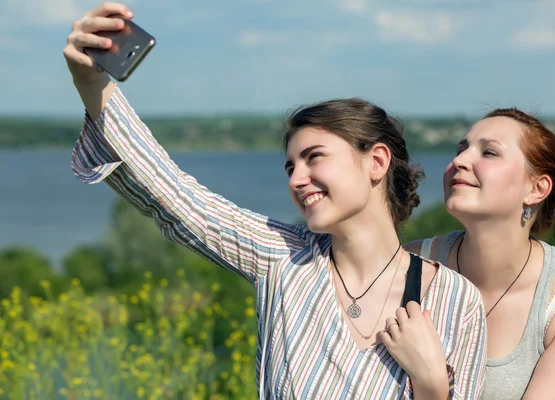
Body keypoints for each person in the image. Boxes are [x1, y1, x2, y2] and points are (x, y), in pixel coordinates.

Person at [63, 3, 486, 398]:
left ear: (376, 161)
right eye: (289, 168)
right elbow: (176, 195)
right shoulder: (282, 259)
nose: (297, 179)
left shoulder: (456, 301)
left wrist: (431, 386)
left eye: (314, 157)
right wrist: (92, 83)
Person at [406, 108, 555, 399]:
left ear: (536, 189)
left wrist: (432, 387)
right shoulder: (409, 265)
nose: (459, 161)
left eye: (489, 153)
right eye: (461, 149)